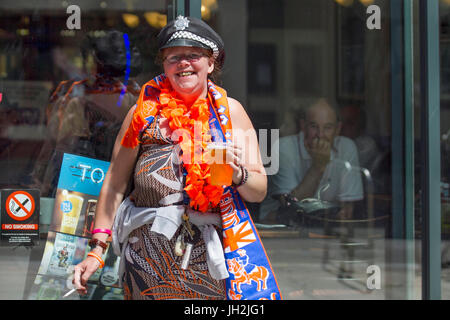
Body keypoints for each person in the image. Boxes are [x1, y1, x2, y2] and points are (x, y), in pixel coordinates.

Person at [73, 16, 267, 300]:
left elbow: (259, 190)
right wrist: (97, 249)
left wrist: (237, 175)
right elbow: (114, 184)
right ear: (164, 65)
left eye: (193, 55)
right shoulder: (142, 114)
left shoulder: (231, 113)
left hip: (209, 266)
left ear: (211, 63)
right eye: (174, 57)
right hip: (146, 261)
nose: (183, 63)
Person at [32, 30, 141, 196]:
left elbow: (56, 145)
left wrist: (42, 181)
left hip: (87, 180)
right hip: (95, 180)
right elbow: (60, 146)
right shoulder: (140, 95)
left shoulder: (72, 92)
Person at [259, 98, 363, 222]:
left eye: (328, 128)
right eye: (314, 126)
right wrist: (318, 167)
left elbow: (347, 211)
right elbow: (290, 209)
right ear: (303, 126)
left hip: (324, 228)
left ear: (338, 129)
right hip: (278, 226)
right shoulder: (283, 149)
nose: (320, 135)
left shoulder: (346, 148)